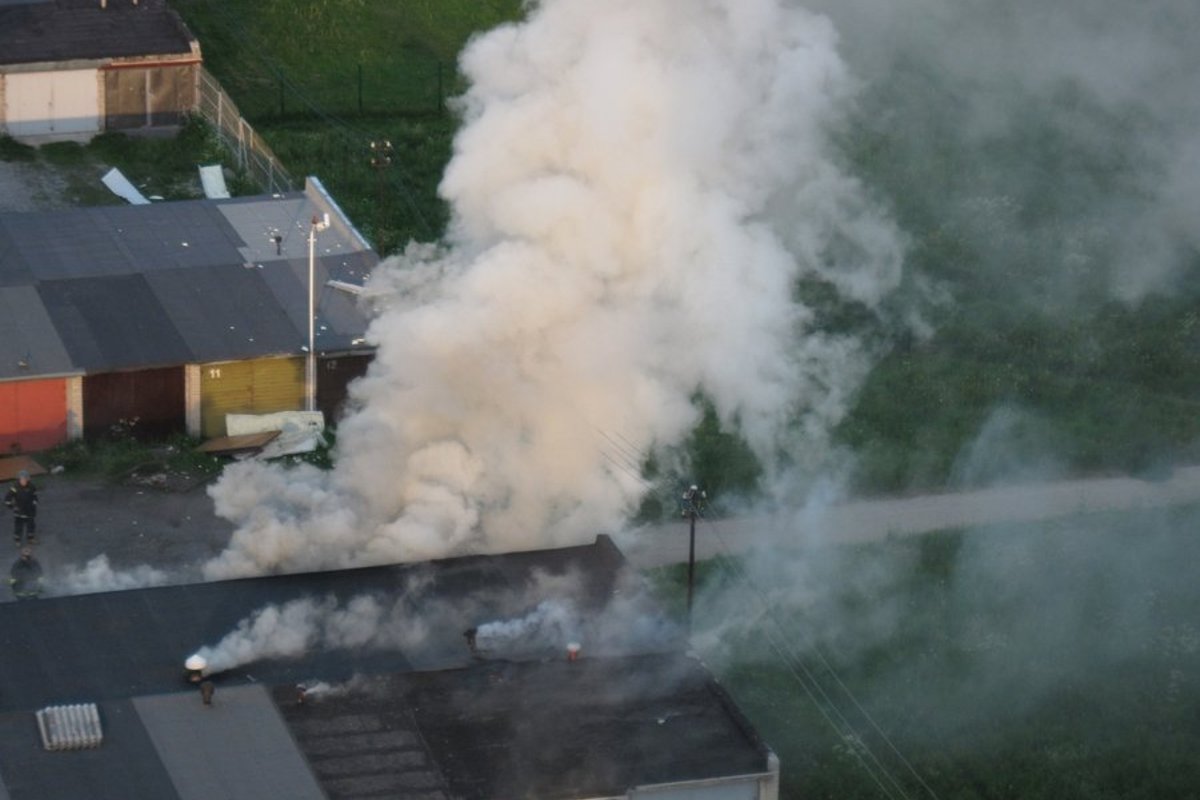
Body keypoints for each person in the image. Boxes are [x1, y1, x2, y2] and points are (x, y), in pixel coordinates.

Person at [4, 470, 38, 546]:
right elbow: (7, 498)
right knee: (18, 526)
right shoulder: (14, 487)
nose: (24, 481)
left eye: (25, 479)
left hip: (30, 511)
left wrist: (35, 503)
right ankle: (17, 540)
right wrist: (12, 506)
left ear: (28, 479)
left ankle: (30, 538)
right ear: (19, 479)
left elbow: (35, 496)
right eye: (22, 479)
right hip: (19, 511)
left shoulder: (32, 486)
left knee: (31, 525)